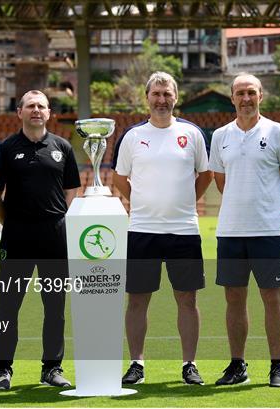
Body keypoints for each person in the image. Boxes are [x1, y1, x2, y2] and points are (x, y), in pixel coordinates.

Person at [112, 71, 213, 385]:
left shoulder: (193, 134)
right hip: (142, 229)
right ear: (147, 98)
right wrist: (142, 203)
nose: (161, 100)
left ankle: (189, 365)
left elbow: (205, 175)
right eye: (156, 94)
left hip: (184, 230)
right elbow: (118, 180)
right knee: (138, 299)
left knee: (187, 299)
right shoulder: (131, 137)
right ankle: (137, 364)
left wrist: (183, 202)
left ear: (176, 97)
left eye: (167, 94)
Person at [208, 73, 280, 388]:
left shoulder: (277, 132)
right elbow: (221, 182)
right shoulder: (220, 136)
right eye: (240, 93)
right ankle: (237, 365)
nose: (246, 98)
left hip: (268, 230)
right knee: (234, 298)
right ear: (231, 97)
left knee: (271, 297)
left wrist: (264, 201)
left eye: (251, 92)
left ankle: (277, 367)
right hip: (230, 231)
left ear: (261, 95)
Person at [0, 90, 80, 390]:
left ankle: (52, 368)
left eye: (41, 106)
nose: (36, 110)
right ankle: (2, 370)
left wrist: (57, 217)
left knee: (54, 307)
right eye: (30, 106)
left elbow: (71, 189)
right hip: (16, 239)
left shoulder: (62, 147)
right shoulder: (6, 149)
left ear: (49, 112)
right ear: (20, 112)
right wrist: (10, 223)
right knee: (7, 307)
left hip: (54, 238)